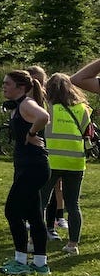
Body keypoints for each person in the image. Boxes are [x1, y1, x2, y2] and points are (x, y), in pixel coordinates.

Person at [0, 70, 51, 275]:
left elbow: (43, 116)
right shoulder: (19, 105)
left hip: (33, 167)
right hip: (28, 166)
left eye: (8, 83)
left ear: (21, 87)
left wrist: (31, 134)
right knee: (34, 215)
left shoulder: (26, 104)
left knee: (12, 211)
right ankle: (39, 264)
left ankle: (20, 262)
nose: (4, 86)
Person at [42, 73, 89, 255]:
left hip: (52, 159)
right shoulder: (82, 109)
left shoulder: (48, 108)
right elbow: (87, 132)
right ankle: (72, 244)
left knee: (41, 201)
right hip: (75, 161)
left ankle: (33, 239)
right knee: (73, 204)